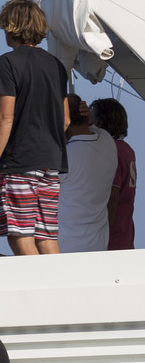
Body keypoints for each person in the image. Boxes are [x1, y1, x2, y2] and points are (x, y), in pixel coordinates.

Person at [0, 0, 70, 255]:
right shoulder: (56, 65)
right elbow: (65, 120)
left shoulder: (7, 63)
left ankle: (40, 292)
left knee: (19, 234)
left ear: (12, 28)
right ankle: (60, 290)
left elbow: (4, 118)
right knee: (46, 235)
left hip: (21, 161)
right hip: (52, 162)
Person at [58, 95, 117, 253]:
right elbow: (92, 130)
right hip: (97, 247)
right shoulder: (108, 143)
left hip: (66, 250)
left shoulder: (65, 158)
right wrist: (87, 119)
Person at [91, 97, 136, 249]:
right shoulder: (127, 150)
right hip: (125, 237)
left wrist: (101, 237)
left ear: (100, 123)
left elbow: (112, 196)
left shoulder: (111, 150)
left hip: (110, 242)